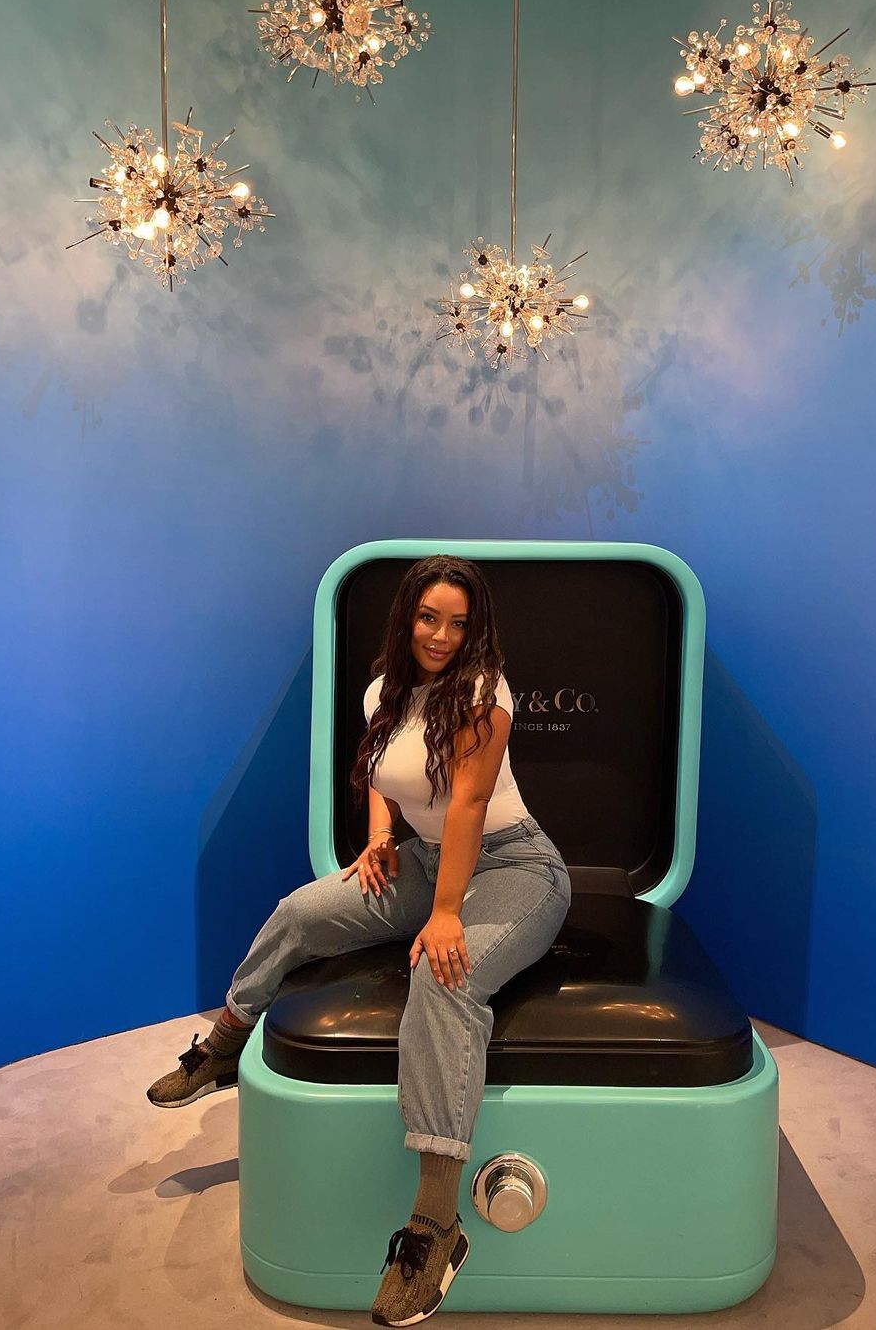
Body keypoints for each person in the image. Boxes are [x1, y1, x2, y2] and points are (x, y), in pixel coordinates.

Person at [145, 554, 572, 1326]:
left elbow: (469, 805)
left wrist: (447, 913)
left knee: (444, 976)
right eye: (429, 618)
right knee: (300, 912)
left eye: (459, 624)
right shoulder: (385, 690)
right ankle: (227, 1042)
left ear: (476, 631)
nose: (441, 636)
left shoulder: (484, 693)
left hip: (515, 867)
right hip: (429, 861)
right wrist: (380, 839)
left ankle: (436, 1225)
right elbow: (382, 773)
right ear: (407, 617)